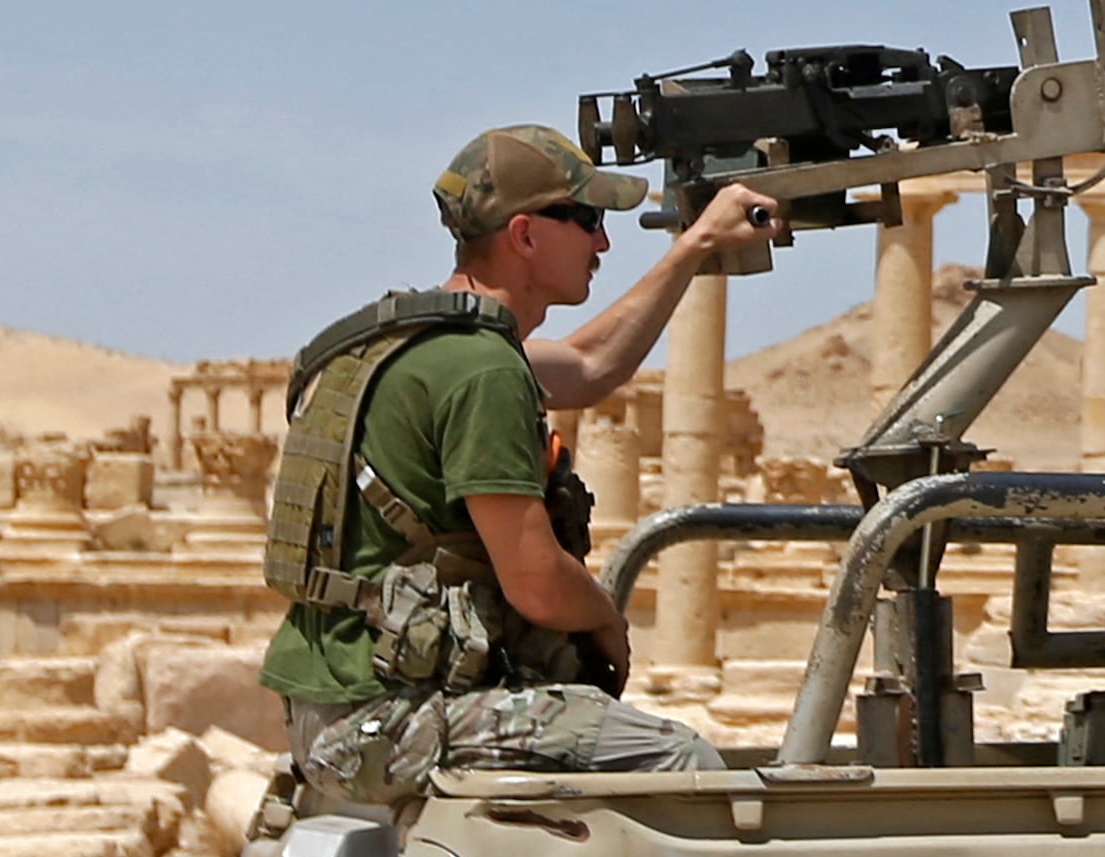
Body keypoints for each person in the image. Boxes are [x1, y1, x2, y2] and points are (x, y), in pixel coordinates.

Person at [257, 125, 783, 812]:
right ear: (527, 235)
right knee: (684, 765)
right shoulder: (482, 369)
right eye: (589, 220)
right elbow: (535, 580)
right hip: (383, 721)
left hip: (337, 708)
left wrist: (696, 245)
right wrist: (605, 618)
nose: (603, 243)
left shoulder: (419, 344)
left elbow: (593, 366)